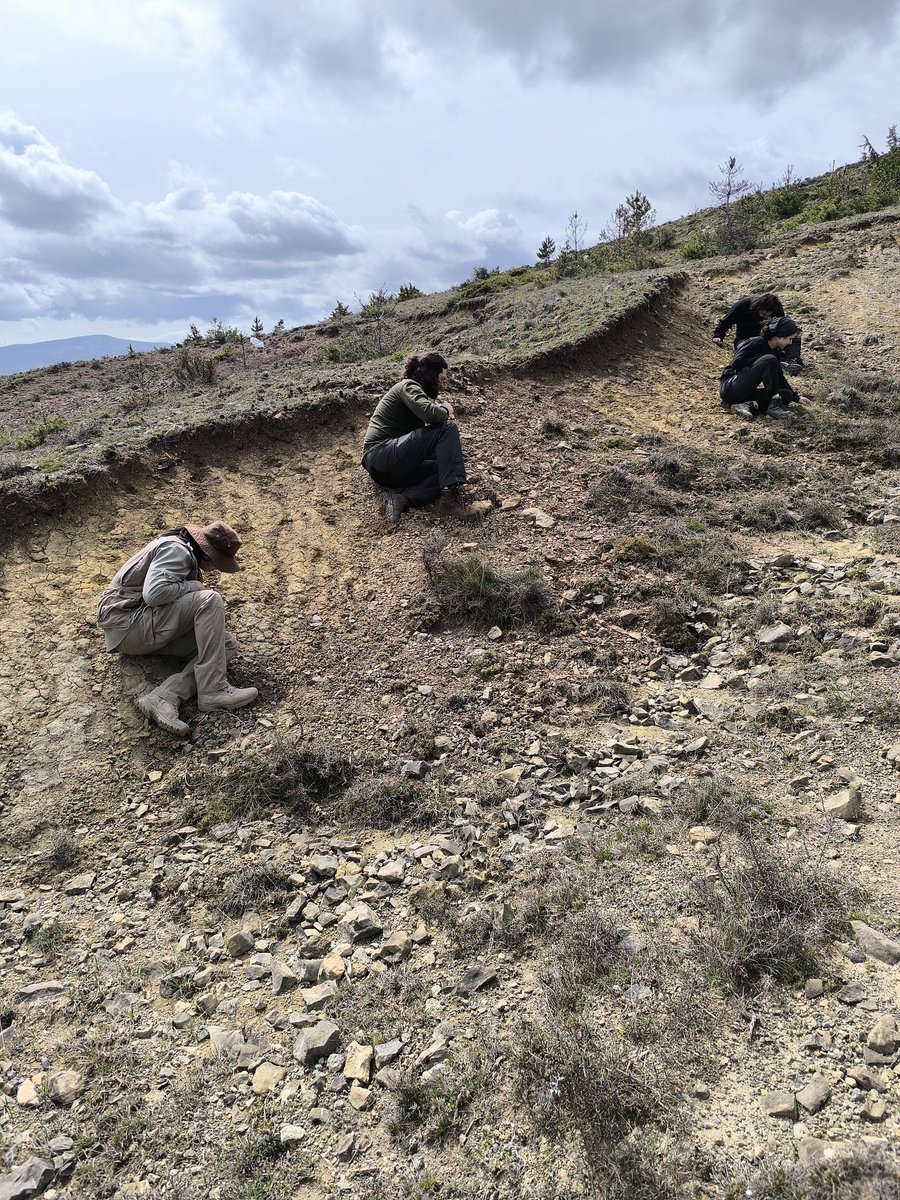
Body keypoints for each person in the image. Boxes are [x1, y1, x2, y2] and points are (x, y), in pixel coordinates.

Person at [97, 520, 258, 737]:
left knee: (225, 644)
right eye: (218, 563)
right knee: (209, 599)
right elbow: (154, 594)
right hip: (129, 624)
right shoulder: (177, 549)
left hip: (139, 629)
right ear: (208, 554)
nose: (216, 569)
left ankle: (165, 696)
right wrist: (194, 585)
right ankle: (214, 688)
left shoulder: (182, 550)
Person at [361, 352, 480, 525]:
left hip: (390, 471)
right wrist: (446, 409)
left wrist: (452, 461)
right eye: (442, 377)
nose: (443, 382)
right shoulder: (408, 385)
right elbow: (430, 414)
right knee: (447, 427)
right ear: (431, 374)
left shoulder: (414, 394)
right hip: (380, 455)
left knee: (444, 470)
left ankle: (400, 500)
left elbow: (424, 444)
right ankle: (451, 501)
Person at [718, 316, 809, 420]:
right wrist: (759, 363)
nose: (791, 343)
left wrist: (797, 398)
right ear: (779, 336)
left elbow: (779, 378)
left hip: (746, 392)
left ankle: (747, 405)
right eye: (790, 339)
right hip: (731, 388)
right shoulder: (756, 342)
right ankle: (773, 407)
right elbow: (736, 363)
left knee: (786, 395)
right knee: (769, 360)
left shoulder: (774, 351)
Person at [713, 292, 803, 372]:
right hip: (745, 340)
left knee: (792, 339)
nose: (766, 314)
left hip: (768, 339)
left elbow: (784, 328)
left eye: (769, 313)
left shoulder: (776, 311)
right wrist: (718, 336)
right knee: (751, 353)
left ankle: (791, 361)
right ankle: (776, 360)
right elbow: (725, 322)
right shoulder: (743, 305)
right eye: (764, 312)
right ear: (758, 306)